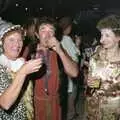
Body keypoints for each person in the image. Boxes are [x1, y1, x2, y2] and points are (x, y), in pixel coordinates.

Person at [26, 16, 79, 120]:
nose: (48, 35)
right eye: (43, 30)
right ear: (37, 34)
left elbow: (74, 73)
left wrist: (60, 50)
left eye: (51, 30)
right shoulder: (29, 51)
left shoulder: (59, 51)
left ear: (55, 34)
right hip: (34, 103)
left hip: (55, 103)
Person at [0, 18, 42, 119]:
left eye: (19, 40)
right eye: (11, 39)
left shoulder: (20, 63)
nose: (17, 44)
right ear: (1, 43)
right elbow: (4, 103)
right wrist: (23, 72)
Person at [86, 15, 120, 120]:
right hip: (92, 108)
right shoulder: (96, 55)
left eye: (107, 35)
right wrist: (88, 82)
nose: (101, 40)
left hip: (113, 112)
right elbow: (89, 84)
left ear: (118, 37)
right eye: (101, 35)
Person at [58, 16, 80, 120]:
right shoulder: (66, 38)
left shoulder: (58, 39)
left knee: (66, 98)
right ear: (68, 27)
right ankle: (71, 115)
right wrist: (77, 44)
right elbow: (76, 55)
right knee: (72, 96)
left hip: (62, 72)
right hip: (70, 72)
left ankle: (70, 114)